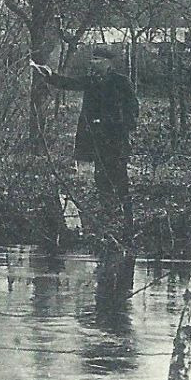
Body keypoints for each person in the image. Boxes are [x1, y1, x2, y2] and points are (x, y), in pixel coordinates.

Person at [31, 46, 140, 238]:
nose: (93, 62)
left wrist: (117, 125)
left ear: (108, 63)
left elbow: (132, 109)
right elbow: (69, 83)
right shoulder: (91, 81)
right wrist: (50, 75)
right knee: (101, 180)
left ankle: (127, 223)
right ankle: (109, 219)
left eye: (97, 59)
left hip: (116, 141)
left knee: (120, 180)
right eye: (93, 59)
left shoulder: (121, 82)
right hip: (97, 141)